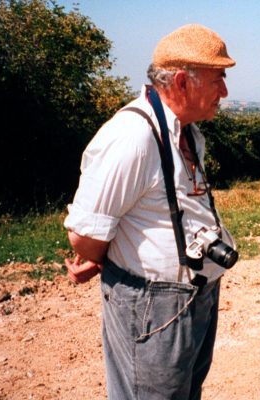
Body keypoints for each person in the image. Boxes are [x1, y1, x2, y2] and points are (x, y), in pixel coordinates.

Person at [63, 24, 237, 400]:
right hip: (152, 304)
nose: (225, 91)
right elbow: (85, 234)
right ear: (181, 82)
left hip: (194, 295)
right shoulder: (133, 136)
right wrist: (107, 258)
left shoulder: (185, 131)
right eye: (218, 78)